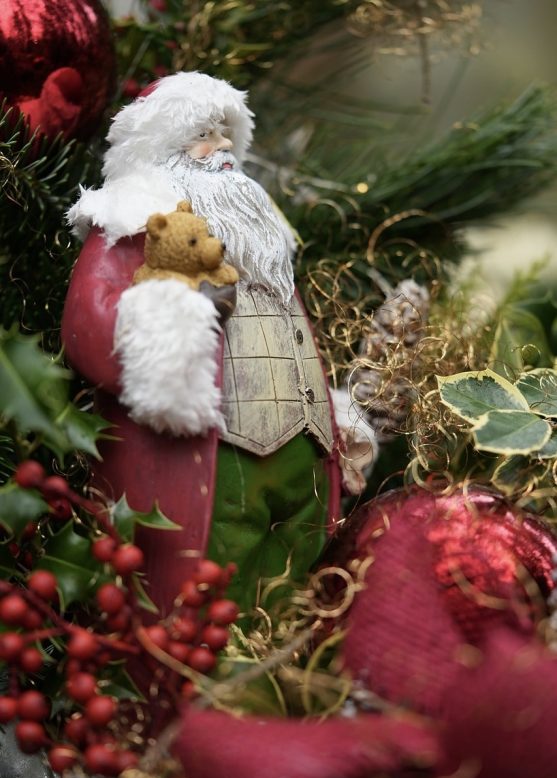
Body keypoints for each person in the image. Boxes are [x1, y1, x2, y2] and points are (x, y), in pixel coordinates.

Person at [63, 72, 375, 615]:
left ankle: (280, 684)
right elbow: (90, 327)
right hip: (214, 462)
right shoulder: (132, 226)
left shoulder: (259, 234)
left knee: (293, 603)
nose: (224, 146)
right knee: (211, 609)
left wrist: (330, 409)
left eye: (226, 132)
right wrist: (176, 311)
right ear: (162, 148)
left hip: (304, 456)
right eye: (205, 134)